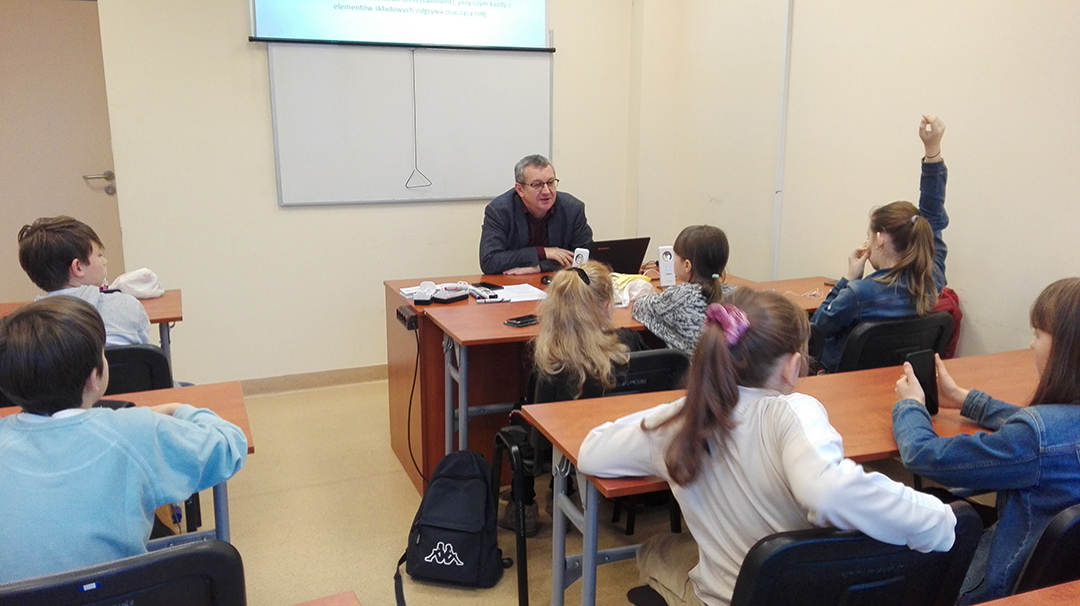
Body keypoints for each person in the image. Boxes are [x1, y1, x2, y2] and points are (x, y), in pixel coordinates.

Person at [578, 288, 956, 606]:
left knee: (658, 549)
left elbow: (591, 453)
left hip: (723, 597)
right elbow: (830, 491)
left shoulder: (679, 423)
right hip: (806, 593)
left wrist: (675, 409)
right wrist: (941, 520)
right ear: (792, 367)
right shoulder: (792, 412)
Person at [0, 296, 248, 583]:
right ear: (94, 377)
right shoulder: (136, 430)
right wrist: (177, 409)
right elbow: (230, 446)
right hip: (123, 594)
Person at [892, 277, 1080, 605]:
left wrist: (910, 405)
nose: (1031, 345)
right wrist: (964, 399)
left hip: (997, 588)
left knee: (920, 507)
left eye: (1038, 334)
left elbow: (924, 455)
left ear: (1065, 349)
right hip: (1059, 585)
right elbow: (1048, 433)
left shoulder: (1035, 436)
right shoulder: (1049, 433)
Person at [499, 262, 645, 536]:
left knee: (521, 412)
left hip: (568, 448)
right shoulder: (629, 343)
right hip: (623, 445)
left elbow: (539, 435)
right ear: (607, 306)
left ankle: (525, 505)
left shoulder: (550, 360)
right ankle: (560, 495)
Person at [811, 116, 949, 372]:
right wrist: (933, 150)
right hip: (897, 383)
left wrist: (848, 279)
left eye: (870, 235)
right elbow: (933, 217)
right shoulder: (931, 281)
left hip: (843, 386)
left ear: (881, 238)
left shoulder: (858, 294)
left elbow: (815, 331)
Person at [18, 215, 151, 346]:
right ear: (78, 267)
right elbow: (146, 357)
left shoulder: (24, 329)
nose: (104, 261)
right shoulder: (128, 306)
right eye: (99, 255)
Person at [479, 154, 593, 275]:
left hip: (557, 282)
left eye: (550, 183)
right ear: (520, 189)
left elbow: (582, 259)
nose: (546, 191)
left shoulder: (572, 209)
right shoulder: (499, 211)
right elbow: (489, 261)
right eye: (537, 185)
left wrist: (540, 267)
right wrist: (543, 252)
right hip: (513, 282)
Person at [632, 225, 736, 354]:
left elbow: (639, 308)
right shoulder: (737, 296)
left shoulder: (680, 297)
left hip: (689, 367)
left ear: (687, 265)